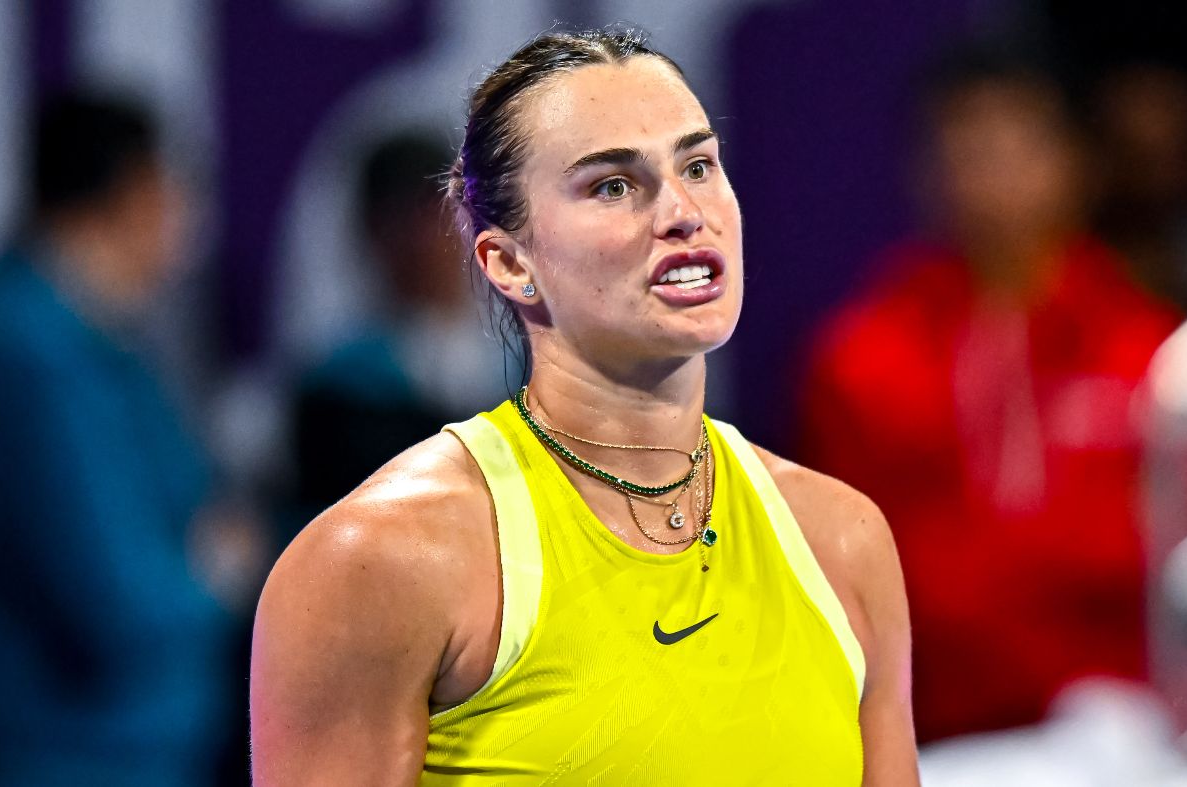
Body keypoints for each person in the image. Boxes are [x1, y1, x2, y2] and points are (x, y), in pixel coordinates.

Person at [250, 28, 918, 785]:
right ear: (510, 262)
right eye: (613, 185)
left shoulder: (845, 544)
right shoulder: (379, 564)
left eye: (698, 165)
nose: (683, 211)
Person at [798, 51, 1187, 744]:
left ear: (1077, 163)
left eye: (1016, 147)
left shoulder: (1152, 349)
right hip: (935, 733)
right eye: (967, 151)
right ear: (926, 173)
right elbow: (829, 570)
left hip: (1133, 726)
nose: (992, 177)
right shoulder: (860, 354)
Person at [0, 94, 231, 784]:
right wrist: (220, 573)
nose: (187, 222)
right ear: (136, 192)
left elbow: (202, 509)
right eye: (177, 191)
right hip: (47, 761)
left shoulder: (90, 342)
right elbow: (128, 606)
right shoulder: (25, 357)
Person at [288, 132, 510, 521]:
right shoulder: (339, 391)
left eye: (443, 216)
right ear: (372, 234)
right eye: (406, 222)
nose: (430, 242)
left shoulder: (521, 366)